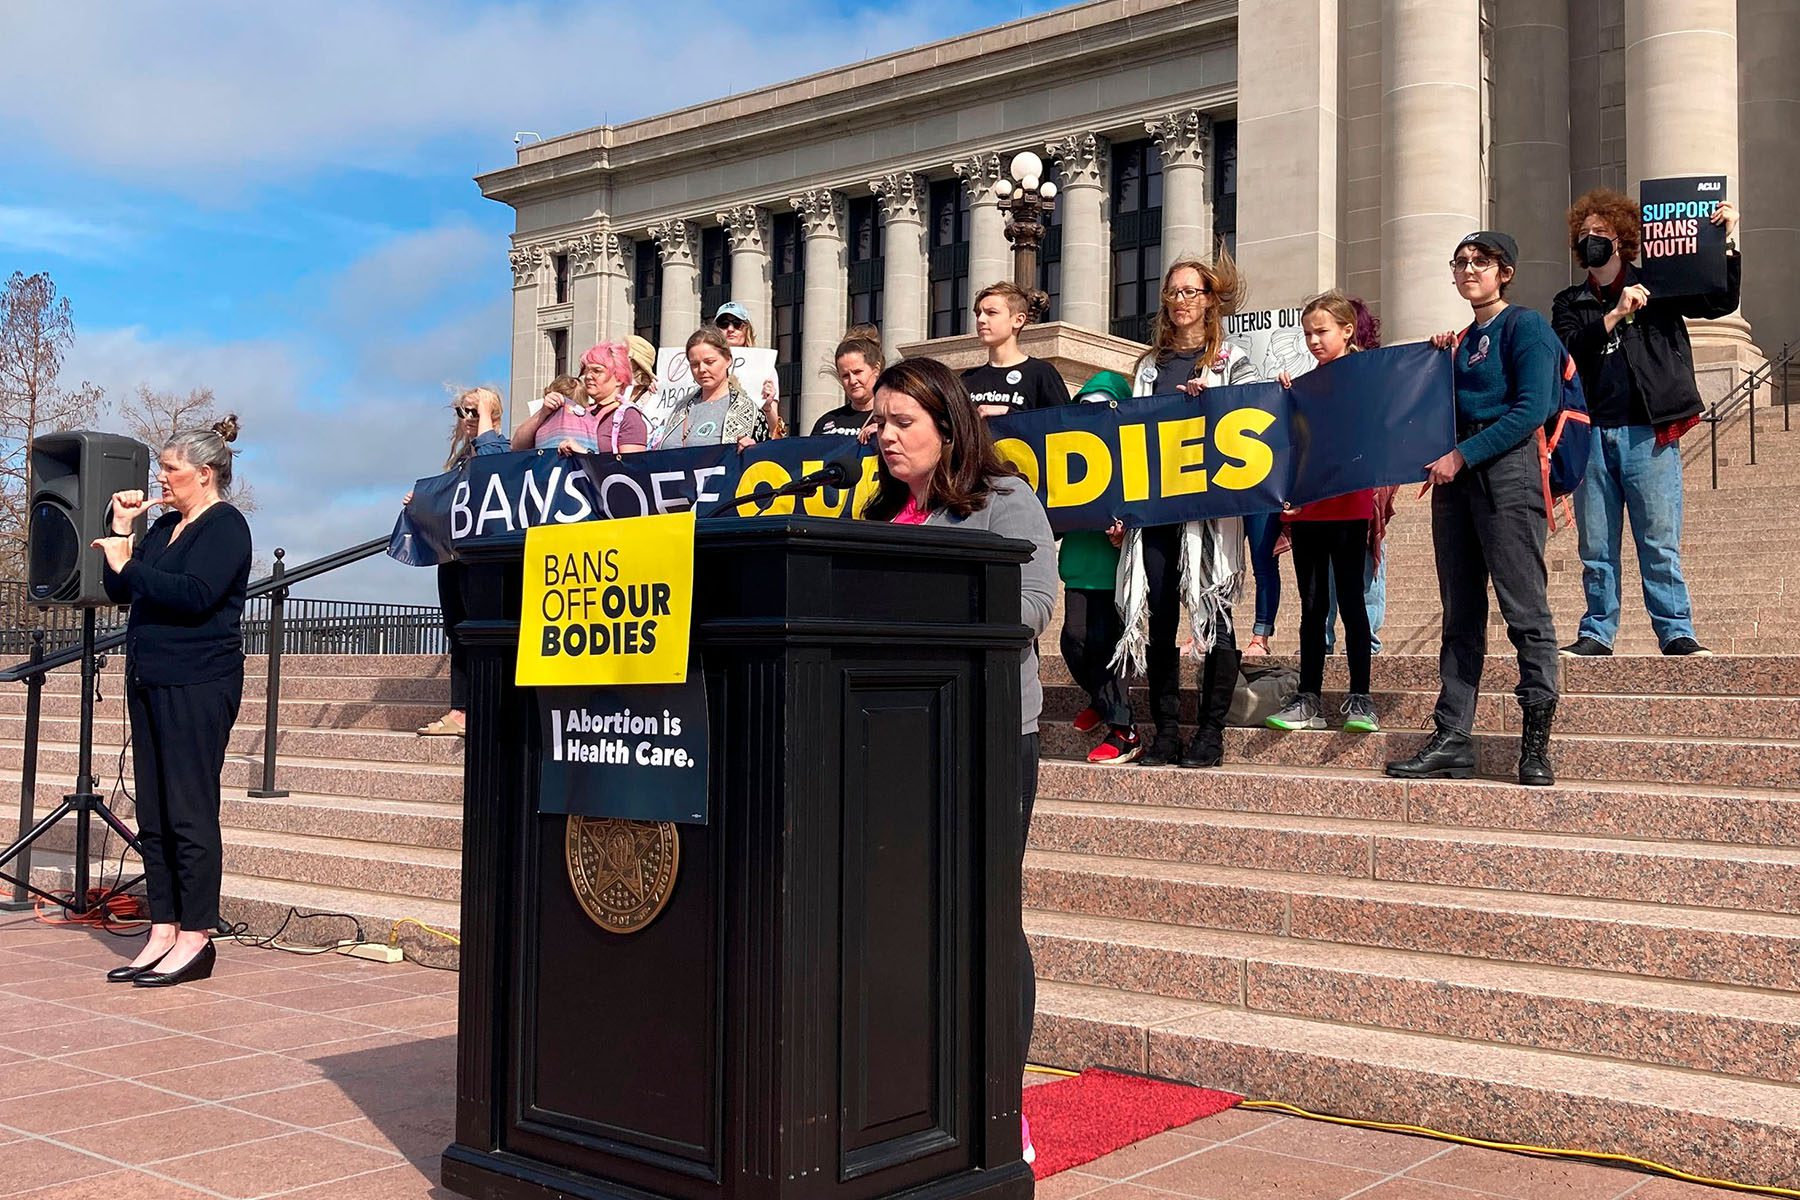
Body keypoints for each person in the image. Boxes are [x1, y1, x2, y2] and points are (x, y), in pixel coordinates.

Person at [862, 355, 1055, 1167]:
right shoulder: (874, 513)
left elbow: (1034, 604)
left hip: (983, 735)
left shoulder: (1002, 500)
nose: (885, 437)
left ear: (949, 425)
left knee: (983, 915)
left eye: (903, 422)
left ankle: (1000, 1103)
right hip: (888, 742)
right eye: (877, 422)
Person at [1387, 231, 1561, 786]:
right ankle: (1452, 736)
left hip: (1505, 471)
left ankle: (1535, 745)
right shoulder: (1459, 340)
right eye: (1459, 262)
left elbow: (1534, 406)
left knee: (1525, 612)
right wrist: (1438, 361)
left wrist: (1463, 455)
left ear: (1504, 271)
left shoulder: (1525, 326)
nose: (1468, 271)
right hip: (1455, 478)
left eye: (1480, 263)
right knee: (1460, 615)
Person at [93, 417, 253, 988]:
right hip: (151, 679)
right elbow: (119, 590)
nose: (160, 479)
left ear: (203, 474)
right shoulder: (162, 529)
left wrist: (128, 564)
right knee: (155, 812)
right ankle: (163, 926)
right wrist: (121, 532)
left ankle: (197, 936)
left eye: (171, 470)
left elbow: (196, 596)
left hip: (198, 682)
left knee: (189, 809)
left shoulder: (226, 527)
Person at [1551, 189, 1741, 658]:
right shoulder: (1571, 301)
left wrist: (1727, 244)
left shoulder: (1660, 283)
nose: (1591, 241)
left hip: (1648, 430)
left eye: (1601, 233)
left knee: (1658, 540)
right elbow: (1568, 352)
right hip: (1591, 431)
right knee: (1596, 545)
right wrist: (1614, 315)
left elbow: (1715, 302)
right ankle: (1597, 631)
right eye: (1584, 235)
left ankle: (1676, 629)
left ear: (1623, 240)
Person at [1118, 252, 1257, 769]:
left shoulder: (1232, 359)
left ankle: (1211, 731)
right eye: (1174, 293)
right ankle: (1166, 731)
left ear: (1210, 300)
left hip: (1212, 508)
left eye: (1191, 292)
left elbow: (1254, 417)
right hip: (1156, 508)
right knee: (1160, 615)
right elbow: (1129, 437)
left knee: (1215, 610)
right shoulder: (1148, 366)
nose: (1182, 302)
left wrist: (1213, 400)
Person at [1266, 291, 1380, 734]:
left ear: (1347, 330)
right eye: (1308, 333)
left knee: (1352, 601)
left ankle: (1360, 698)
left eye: (1322, 332)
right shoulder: (1304, 384)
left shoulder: (1369, 374)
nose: (1313, 341)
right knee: (1312, 606)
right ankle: (1309, 698)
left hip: (1349, 506)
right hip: (1307, 509)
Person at [412, 387, 510, 738]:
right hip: (453, 552)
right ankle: (460, 708)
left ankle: (472, 709)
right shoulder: (460, 457)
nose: (466, 418)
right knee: (457, 629)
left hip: (480, 555)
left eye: (474, 411)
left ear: (492, 413)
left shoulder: (498, 446)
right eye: (462, 412)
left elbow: (492, 467)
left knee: (475, 630)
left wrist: (486, 414)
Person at [1059, 370, 1138, 764]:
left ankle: (1124, 729)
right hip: (1077, 563)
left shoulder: (1132, 453)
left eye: (1102, 405)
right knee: (1073, 640)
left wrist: (1127, 534)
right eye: (1085, 406)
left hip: (1113, 568)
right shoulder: (1067, 453)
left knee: (1106, 646)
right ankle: (1102, 700)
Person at [960, 281, 1070, 416]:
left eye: (992, 312)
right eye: (978, 313)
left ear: (1018, 320)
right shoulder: (967, 379)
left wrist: (1009, 414)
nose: (981, 319)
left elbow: (1064, 425)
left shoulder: (1041, 374)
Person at [655, 326, 772, 449]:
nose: (702, 369)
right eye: (694, 364)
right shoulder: (680, 408)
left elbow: (765, 458)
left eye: (709, 362)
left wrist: (751, 451)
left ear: (728, 360)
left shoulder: (747, 410)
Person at [714, 301, 786, 438]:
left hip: (750, 447)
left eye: (737, 324)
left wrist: (768, 406)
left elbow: (774, 430)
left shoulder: (764, 367)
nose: (730, 329)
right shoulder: (703, 367)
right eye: (723, 324)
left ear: (746, 329)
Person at [811, 335, 883, 437]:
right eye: (845, 376)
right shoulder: (825, 422)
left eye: (857, 372)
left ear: (876, 369)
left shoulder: (891, 421)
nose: (852, 381)